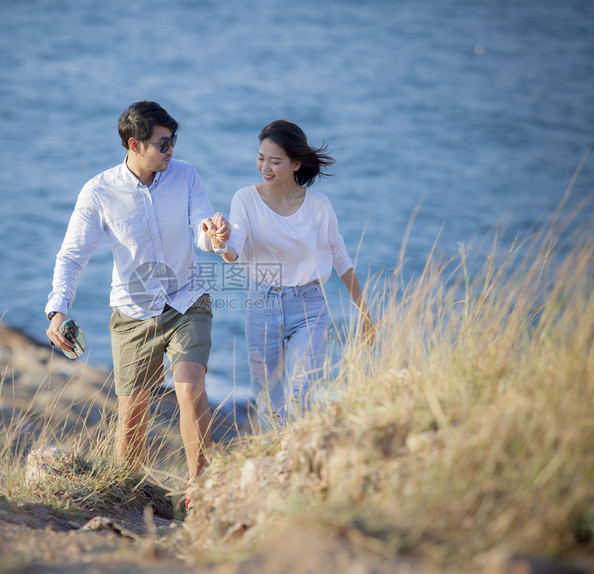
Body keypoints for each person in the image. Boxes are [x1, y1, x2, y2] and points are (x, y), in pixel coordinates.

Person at [45, 101, 220, 498]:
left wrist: (217, 238)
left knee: (189, 387)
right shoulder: (99, 191)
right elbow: (73, 255)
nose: (171, 149)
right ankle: (126, 496)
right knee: (132, 416)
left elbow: (203, 230)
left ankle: (202, 489)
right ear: (134, 144)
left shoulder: (186, 175)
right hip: (133, 312)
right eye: (163, 143)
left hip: (187, 299)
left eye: (173, 140)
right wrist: (58, 312)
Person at [203, 120, 375, 430]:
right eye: (261, 158)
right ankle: (276, 463)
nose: (264, 167)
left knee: (300, 394)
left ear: (296, 163)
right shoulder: (245, 199)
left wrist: (364, 312)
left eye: (275, 160)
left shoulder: (319, 206)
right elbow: (234, 250)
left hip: (309, 307)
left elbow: (340, 257)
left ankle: (297, 458)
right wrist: (220, 243)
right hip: (262, 304)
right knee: (268, 402)